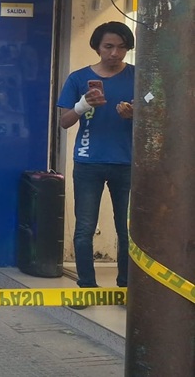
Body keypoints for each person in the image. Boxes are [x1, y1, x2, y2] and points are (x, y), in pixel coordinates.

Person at [57, 21, 135, 292]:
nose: (115, 53)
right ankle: (87, 286)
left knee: (127, 230)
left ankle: (126, 286)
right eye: (108, 46)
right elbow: (64, 122)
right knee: (85, 228)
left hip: (127, 163)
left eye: (122, 47)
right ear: (97, 47)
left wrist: (135, 115)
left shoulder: (138, 76)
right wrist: (82, 105)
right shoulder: (78, 79)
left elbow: (159, 117)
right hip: (88, 162)